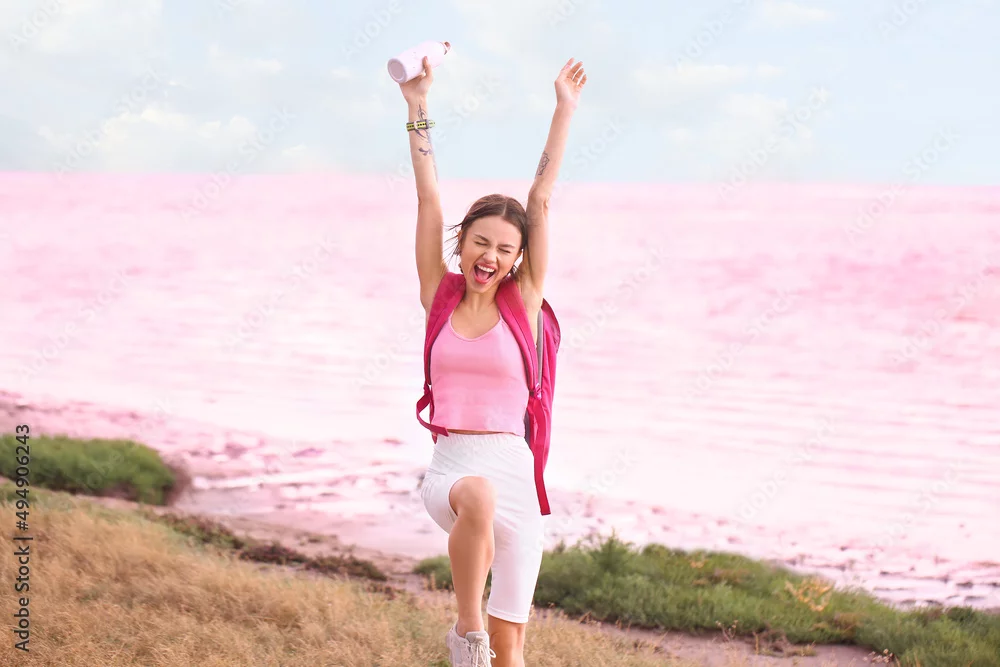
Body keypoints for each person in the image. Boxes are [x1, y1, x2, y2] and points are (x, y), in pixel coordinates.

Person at [398, 54, 587, 667]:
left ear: (517, 259)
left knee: (513, 650)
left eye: (505, 249)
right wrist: (417, 104)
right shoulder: (440, 295)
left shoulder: (523, 304)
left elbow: (541, 198)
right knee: (476, 498)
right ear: (463, 243)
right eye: (481, 241)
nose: (491, 256)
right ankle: (466, 632)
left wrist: (564, 109)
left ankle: (487, 645)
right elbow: (428, 197)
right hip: (453, 470)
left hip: (516, 475)